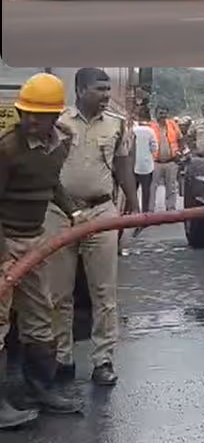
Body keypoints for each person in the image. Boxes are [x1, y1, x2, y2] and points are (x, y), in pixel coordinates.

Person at [0, 73, 83, 425]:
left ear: (55, 116)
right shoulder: (8, 149)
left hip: (34, 241)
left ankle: (41, 389)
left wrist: (73, 212)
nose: (32, 120)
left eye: (40, 114)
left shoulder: (61, 144)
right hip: (4, 240)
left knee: (39, 318)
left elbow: (52, 183)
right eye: (27, 113)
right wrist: (4, 256)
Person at [49, 68, 137, 387]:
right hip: (60, 213)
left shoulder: (117, 124)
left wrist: (134, 204)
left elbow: (123, 166)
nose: (106, 95)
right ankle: (62, 359)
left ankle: (103, 361)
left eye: (107, 89)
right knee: (59, 293)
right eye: (99, 89)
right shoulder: (58, 123)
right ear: (80, 90)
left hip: (101, 211)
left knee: (104, 291)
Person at [149, 106, 184, 212]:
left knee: (171, 187)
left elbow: (181, 139)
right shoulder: (151, 126)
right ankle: (150, 210)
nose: (163, 115)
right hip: (155, 162)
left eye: (165, 113)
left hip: (171, 161)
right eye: (160, 113)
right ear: (156, 114)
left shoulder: (172, 125)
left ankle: (171, 208)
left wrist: (179, 153)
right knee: (152, 187)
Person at [132, 107, 159, 213]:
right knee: (146, 191)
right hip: (147, 167)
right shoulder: (150, 131)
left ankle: (133, 211)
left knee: (133, 190)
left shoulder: (133, 130)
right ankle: (145, 213)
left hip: (133, 165)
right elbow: (154, 148)